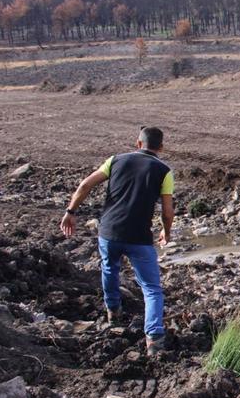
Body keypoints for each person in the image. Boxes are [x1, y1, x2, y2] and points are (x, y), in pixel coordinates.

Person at [59, 127, 174, 356]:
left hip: (109, 232)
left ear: (138, 143)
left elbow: (85, 185)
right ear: (161, 148)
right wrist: (166, 232)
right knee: (151, 289)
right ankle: (154, 339)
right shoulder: (164, 171)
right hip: (139, 237)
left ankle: (113, 312)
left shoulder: (115, 160)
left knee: (110, 268)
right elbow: (168, 211)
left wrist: (71, 211)